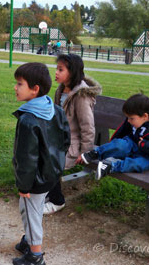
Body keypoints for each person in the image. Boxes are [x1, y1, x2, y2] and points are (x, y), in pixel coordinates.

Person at [12, 62, 71, 265]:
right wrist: (56, 164)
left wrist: (24, 185)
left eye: (20, 84)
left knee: (30, 212)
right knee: (30, 209)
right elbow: (65, 140)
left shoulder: (28, 120)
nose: (15, 87)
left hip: (35, 179)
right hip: (51, 173)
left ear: (35, 89)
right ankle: (29, 240)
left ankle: (35, 255)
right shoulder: (55, 109)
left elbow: (26, 158)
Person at [43, 54, 102, 215]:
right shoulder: (61, 90)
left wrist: (85, 153)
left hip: (73, 145)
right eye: (56, 68)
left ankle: (57, 200)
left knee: (52, 161)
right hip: (59, 140)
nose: (56, 72)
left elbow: (88, 127)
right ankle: (45, 192)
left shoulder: (81, 96)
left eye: (60, 69)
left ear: (73, 72)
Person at [78, 93, 149, 180]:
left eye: (131, 118)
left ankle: (111, 166)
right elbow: (122, 133)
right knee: (120, 144)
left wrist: (145, 144)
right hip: (132, 145)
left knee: (136, 164)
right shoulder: (137, 118)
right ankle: (95, 153)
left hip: (148, 157)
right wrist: (114, 144)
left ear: (145, 116)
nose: (128, 121)